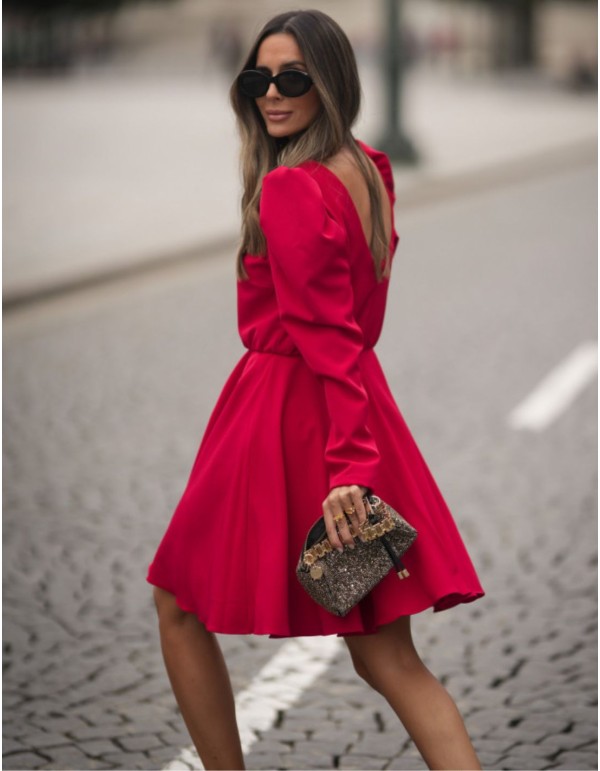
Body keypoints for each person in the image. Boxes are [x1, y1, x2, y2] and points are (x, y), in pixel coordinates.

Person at [147, 9, 485, 770]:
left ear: (330, 81)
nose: (272, 93)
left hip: (295, 421)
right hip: (353, 407)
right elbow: (352, 334)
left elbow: (326, 339)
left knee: (177, 600)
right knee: (388, 660)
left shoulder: (293, 189)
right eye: (258, 78)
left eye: (292, 78)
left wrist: (351, 470)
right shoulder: (368, 167)